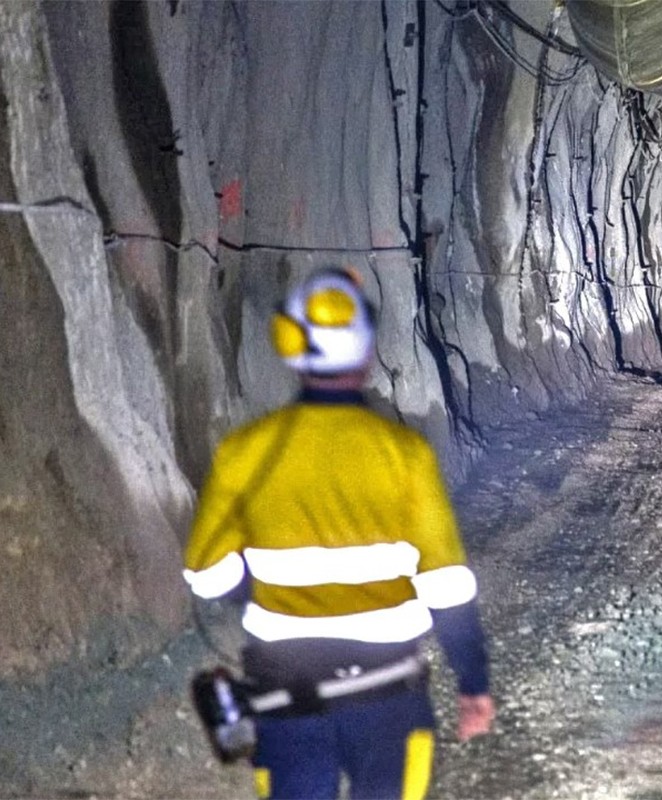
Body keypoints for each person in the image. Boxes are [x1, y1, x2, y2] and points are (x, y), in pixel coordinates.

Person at [182, 266, 493, 800]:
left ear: (289, 345)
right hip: (389, 697)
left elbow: (207, 576)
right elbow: (446, 587)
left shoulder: (244, 453)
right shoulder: (406, 455)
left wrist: (266, 589)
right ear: (367, 352)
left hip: (285, 698)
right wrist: (473, 682)